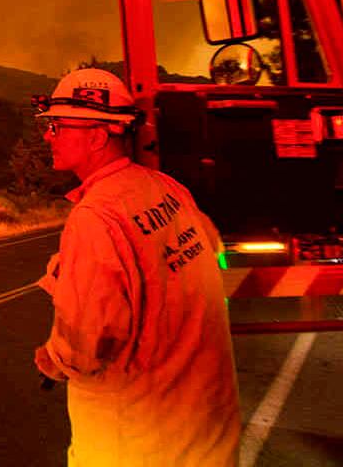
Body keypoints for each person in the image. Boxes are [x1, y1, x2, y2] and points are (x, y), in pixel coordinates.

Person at [32, 68, 240, 466]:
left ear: (96, 137)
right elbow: (210, 252)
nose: (48, 136)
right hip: (208, 434)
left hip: (139, 445)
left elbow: (87, 345)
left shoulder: (96, 217)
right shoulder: (166, 188)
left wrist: (53, 360)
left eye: (57, 126)